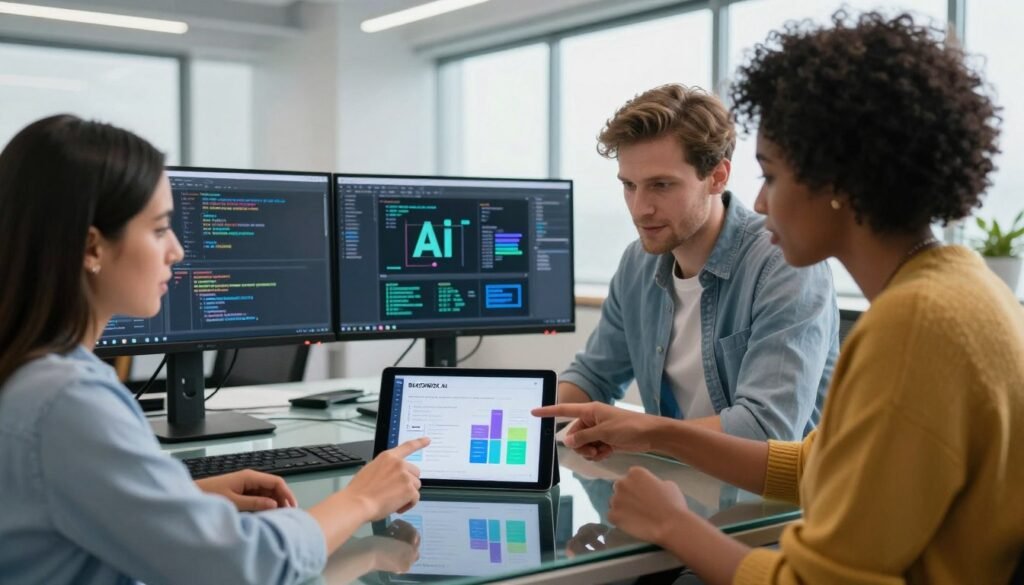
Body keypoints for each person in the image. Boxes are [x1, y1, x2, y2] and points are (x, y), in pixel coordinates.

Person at [536, 10, 1024, 585]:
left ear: (838, 183)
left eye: (771, 175)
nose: (762, 203)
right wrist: (650, 430)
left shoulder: (915, 325)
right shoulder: (955, 287)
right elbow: (815, 462)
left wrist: (675, 526)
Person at [0, 114, 429, 585]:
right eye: (160, 229)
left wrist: (179, 495)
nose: (178, 251)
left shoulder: (31, 374)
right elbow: (241, 567)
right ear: (92, 248)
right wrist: (361, 500)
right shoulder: (69, 401)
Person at [559, 83, 838, 441]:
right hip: (678, 482)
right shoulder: (637, 262)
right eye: (629, 185)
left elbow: (766, 429)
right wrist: (527, 418)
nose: (640, 208)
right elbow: (593, 378)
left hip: (773, 494)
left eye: (661, 185)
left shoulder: (782, 261)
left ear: (717, 176)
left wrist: (645, 434)